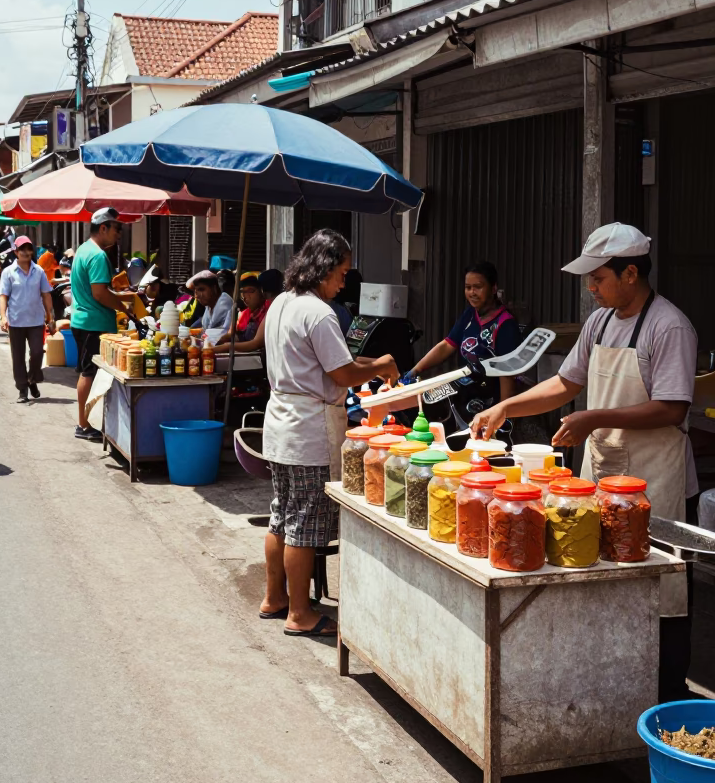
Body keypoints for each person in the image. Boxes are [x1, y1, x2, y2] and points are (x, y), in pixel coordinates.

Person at [470, 223, 698, 701]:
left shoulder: (668, 326)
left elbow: (673, 406)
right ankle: (612, 692)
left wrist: (592, 417)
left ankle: (665, 700)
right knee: (602, 580)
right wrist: (506, 407)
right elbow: (565, 384)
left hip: (655, 480)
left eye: (598, 278)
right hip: (602, 474)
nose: (591, 288)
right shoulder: (599, 323)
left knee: (661, 593)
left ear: (631, 272)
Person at [261, 230, 400, 638]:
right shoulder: (319, 313)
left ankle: (275, 597)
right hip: (308, 430)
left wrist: (375, 362)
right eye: (341, 273)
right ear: (322, 269)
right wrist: (382, 365)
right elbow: (341, 373)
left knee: (280, 514)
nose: (344, 281)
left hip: (280, 424)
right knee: (303, 522)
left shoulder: (282, 304)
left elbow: (334, 359)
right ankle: (301, 614)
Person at [409, 260, 522, 418]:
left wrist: (505, 416)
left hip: (490, 403)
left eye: (478, 287)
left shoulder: (505, 325)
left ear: (493, 288)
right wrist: (416, 370)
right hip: (465, 393)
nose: (472, 293)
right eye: (468, 287)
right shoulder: (470, 314)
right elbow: (447, 345)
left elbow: (507, 376)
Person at [69, 207, 134, 441]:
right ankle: (84, 425)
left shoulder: (84, 250)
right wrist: (123, 307)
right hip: (92, 323)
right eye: (117, 228)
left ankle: (89, 422)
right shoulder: (97, 255)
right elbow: (99, 293)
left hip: (86, 320)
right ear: (103, 228)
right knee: (88, 372)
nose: (120, 233)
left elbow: (97, 289)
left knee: (91, 373)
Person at [0, 235, 55, 403]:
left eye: (28, 248)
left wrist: (50, 316)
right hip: (16, 321)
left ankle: (32, 379)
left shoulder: (39, 271)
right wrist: (3, 317)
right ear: (16, 252)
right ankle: (22, 389)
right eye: (22, 249)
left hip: (36, 320)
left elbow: (46, 295)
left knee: (37, 352)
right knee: (18, 356)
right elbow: (3, 296)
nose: (26, 252)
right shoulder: (8, 272)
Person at [218, 272, 269, 344]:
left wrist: (227, 346)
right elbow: (232, 333)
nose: (245, 296)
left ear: (261, 292)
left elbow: (256, 343)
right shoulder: (243, 314)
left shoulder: (268, 311)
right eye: (243, 292)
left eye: (250, 291)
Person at [187, 270, 235, 334]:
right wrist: (187, 331)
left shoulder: (224, 300)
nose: (196, 296)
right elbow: (205, 329)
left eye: (201, 289)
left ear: (214, 288)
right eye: (195, 292)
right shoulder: (209, 306)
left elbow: (209, 330)